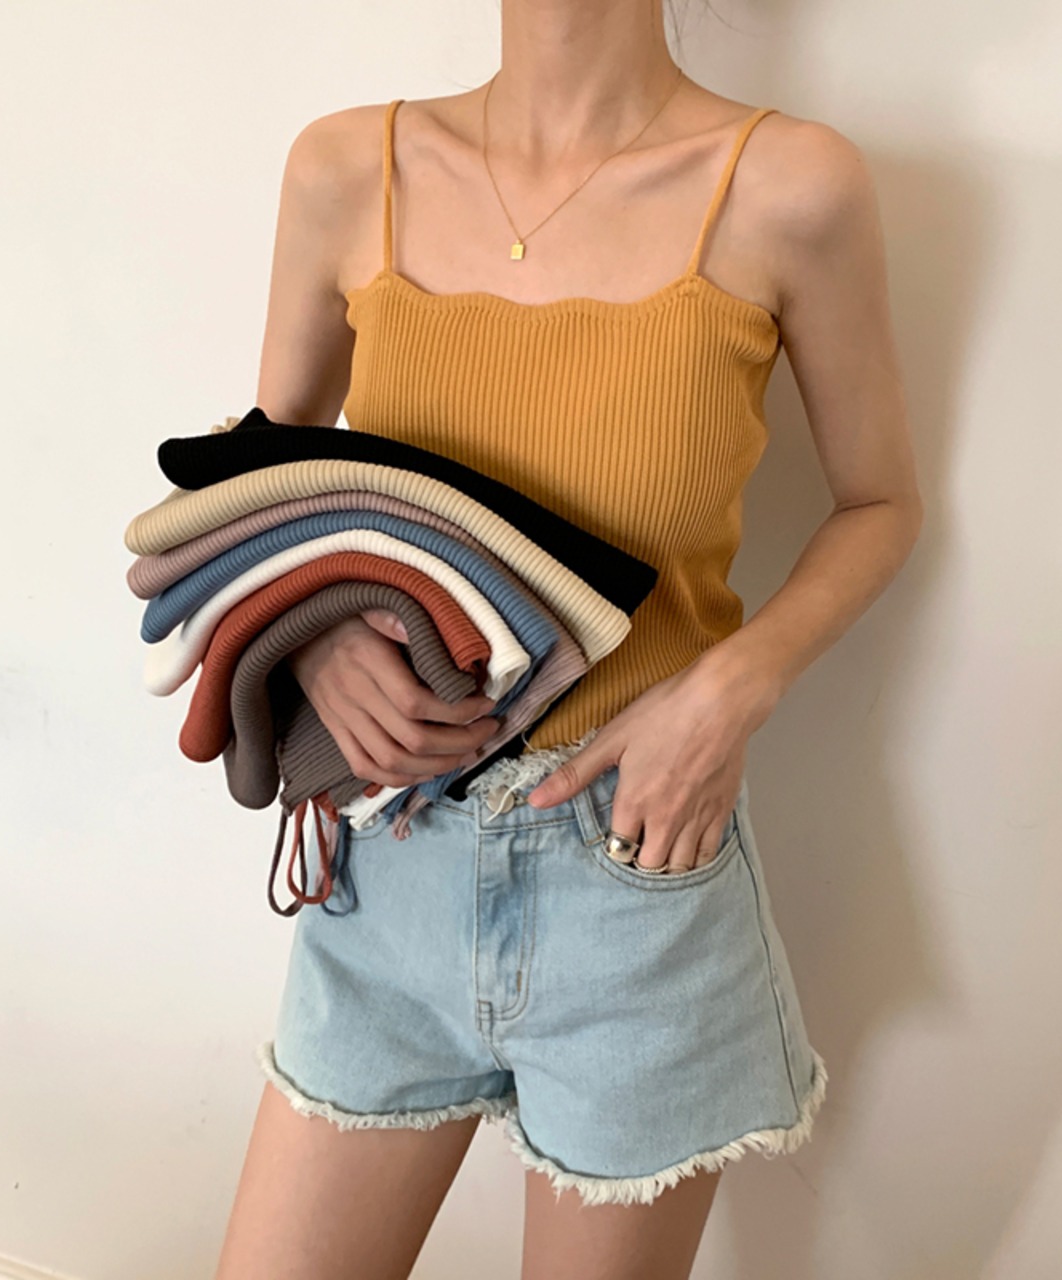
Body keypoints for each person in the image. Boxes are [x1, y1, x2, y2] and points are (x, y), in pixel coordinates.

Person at [214, 3, 922, 1275]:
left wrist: (730, 685)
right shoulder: (346, 167)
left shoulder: (786, 186)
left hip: (635, 874)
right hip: (385, 865)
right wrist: (311, 637)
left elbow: (880, 502)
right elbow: (266, 486)